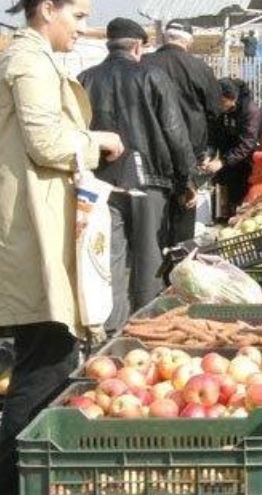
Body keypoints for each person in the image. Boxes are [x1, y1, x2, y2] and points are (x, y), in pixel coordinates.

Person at [0, 0, 124, 495]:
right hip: (28, 235)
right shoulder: (28, 61)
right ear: (46, 10)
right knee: (45, 363)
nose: (82, 28)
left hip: (38, 226)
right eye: (78, 16)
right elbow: (45, 141)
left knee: (47, 358)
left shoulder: (34, 59)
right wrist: (98, 140)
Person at [79, 17, 198, 333]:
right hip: (150, 183)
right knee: (149, 261)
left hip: (101, 184)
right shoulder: (152, 76)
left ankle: (112, 333)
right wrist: (187, 180)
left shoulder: (85, 80)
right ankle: (145, 330)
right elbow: (174, 131)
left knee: (107, 261)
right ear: (137, 46)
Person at [141, 22, 222, 243]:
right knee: (184, 211)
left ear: (165, 37)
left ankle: (151, 261)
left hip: (148, 151)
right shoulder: (198, 67)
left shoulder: (143, 63)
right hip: (188, 152)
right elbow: (215, 109)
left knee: (149, 217)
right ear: (188, 41)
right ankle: (179, 264)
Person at [210, 77, 262, 219]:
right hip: (233, 157)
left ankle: (244, 216)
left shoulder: (250, 110)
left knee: (245, 192)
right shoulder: (223, 111)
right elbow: (216, 135)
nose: (218, 104)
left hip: (252, 157)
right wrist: (211, 155)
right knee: (226, 183)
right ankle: (228, 215)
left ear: (231, 98)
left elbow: (247, 143)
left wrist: (223, 161)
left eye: (222, 101)